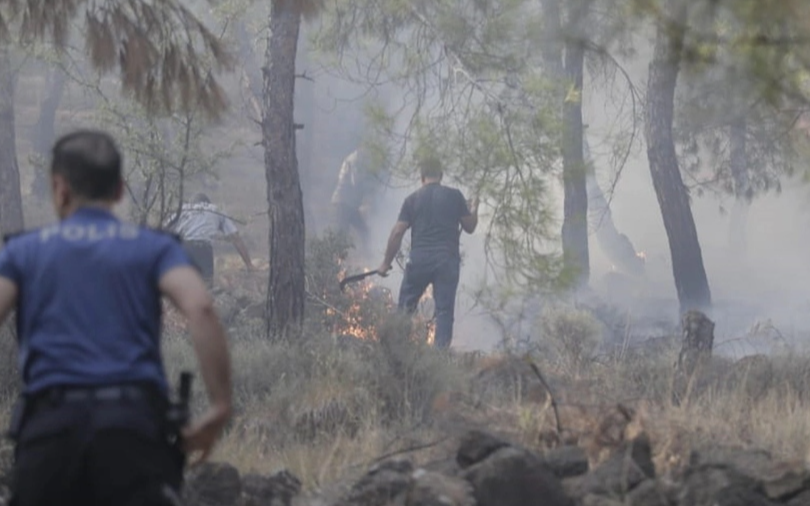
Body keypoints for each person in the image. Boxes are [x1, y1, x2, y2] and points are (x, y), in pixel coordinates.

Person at [0, 130, 233, 506]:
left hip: (49, 435)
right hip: (133, 431)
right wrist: (221, 406)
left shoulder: (22, 252)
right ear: (119, 190)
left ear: (59, 189)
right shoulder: (154, 248)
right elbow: (201, 308)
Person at [376, 156, 479, 349]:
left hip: (419, 260)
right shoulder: (455, 196)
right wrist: (474, 208)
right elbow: (470, 226)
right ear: (441, 175)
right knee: (444, 312)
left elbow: (397, 232)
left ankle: (397, 351)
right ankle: (440, 360)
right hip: (446, 261)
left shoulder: (412, 199)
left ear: (421, 177)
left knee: (405, 309)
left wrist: (385, 263)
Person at [170, 193, 253, 283]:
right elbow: (236, 238)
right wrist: (249, 264)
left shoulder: (182, 209)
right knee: (206, 286)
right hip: (204, 249)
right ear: (208, 203)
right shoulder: (216, 210)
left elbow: (164, 228)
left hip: (184, 248)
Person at [330, 147, 382, 256]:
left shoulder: (360, 161)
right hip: (342, 204)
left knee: (364, 231)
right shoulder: (353, 160)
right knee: (342, 237)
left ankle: (368, 258)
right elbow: (356, 181)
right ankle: (338, 265)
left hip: (351, 206)